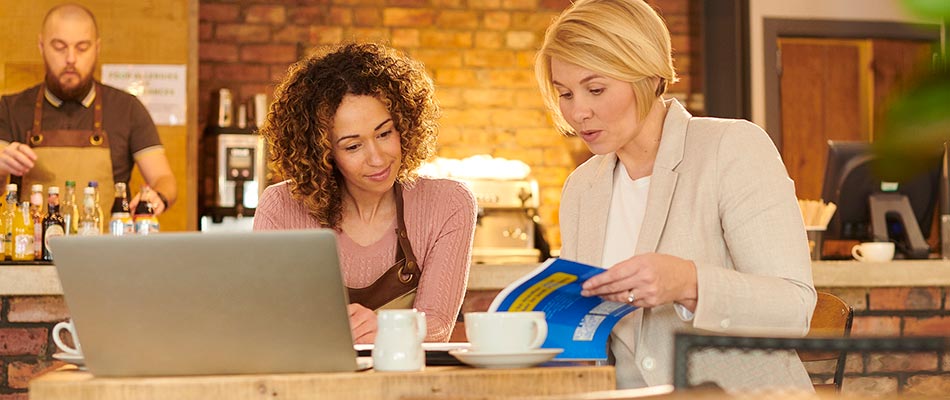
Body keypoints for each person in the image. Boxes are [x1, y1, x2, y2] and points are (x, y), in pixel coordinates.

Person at [535, 0, 817, 392]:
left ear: (649, 76)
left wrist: (690, 283)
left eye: (595, 89)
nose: (578, 112)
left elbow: (794, 310)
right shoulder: (582, 188)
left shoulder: (732, 148)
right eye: (564, 94)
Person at [253, 43, 477, 344]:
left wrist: (384, 328)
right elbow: (267, 325)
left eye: (385, 133)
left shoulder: (449, 203)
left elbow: (437, 325)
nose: (377, 158)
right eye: (353, 146)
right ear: (324, 153)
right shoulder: (280, 207)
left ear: (404, 125)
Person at [0, 3, 176, 215]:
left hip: (108, 246)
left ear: (97, 48)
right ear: (41, 46)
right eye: (59, 46)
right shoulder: (11, 109)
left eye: (82, 47)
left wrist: (158, 196)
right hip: (31, 246)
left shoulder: (127, 109)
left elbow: (163, 179)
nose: (71, 59)